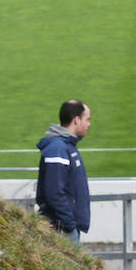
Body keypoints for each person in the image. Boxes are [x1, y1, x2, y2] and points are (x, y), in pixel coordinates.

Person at [35, 100, 92, 242]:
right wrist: (69, 225)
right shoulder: (58, 148)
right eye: (87, 119)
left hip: (66, 227)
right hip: (62, 230)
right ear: (77, 120)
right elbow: (53, 192)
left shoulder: (67, 145)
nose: (89, 124)